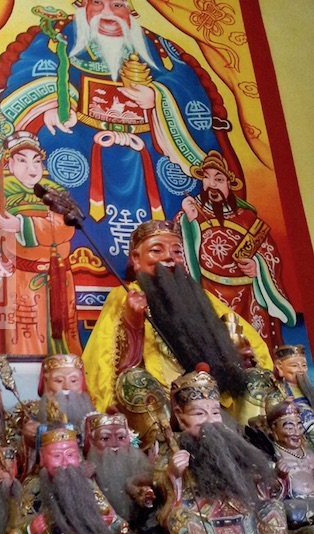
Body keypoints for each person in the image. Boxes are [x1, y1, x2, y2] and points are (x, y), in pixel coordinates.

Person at [0, 0, 240, 280]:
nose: (107, 13)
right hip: (80, 142)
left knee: (174, 186)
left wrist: (158, 96)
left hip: (148, 144)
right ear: (83, 5)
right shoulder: (57, 36)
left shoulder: (157, 48)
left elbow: (188, 87)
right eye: (98, 2)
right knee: (59, 176)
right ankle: (79, 267)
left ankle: (164, 276)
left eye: (118, 4)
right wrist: (53, 103)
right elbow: (31, 72)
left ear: (130, 10)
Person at [83, 219, 273, 412]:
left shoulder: (201, 297)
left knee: (255, 380)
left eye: (176, 251)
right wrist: (133, 326)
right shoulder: (126, 296)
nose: (169, 257)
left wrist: (239, 351)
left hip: (213, 398)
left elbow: (253, 345)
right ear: (136, 259)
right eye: (157, 250)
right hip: (161, 402)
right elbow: (105, 365)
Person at [154, 365, 309, 534]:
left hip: (242, 510)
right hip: (200, 513)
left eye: (215, 413)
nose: (210, 421)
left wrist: (278, 477)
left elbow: (259, 482)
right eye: (199, 414)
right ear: (179, 415)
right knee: (181, 521)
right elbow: (160, 483)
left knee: (273, 510)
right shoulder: (172, 448)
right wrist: (174, 474)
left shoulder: (233, 445)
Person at [0, 130, 82, 355]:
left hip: (58, 278)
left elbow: (64, 228)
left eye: (36, 161)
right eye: (22, 160)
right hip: (18, 279)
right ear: (9, 163)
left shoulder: (55, 193)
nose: (32, 168)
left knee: (64, 343)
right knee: (22, 343)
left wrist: (21, 225)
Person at [176, 150, 296, 353]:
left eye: (219, 179)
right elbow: (178, 251)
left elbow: (270, 255)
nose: (212, 185)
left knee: (254, 350)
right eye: (207, 178)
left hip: (247, 295)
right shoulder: (190, 215)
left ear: (229, 184)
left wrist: (257, 266)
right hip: (209, 292)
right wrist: (189, 222)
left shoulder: (247, 218)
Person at [6, 424, 131, 534]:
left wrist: (108, 522)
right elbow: (13, 533)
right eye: (57, 456)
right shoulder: (32, 489)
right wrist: (30, 528)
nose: (65, 463)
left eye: (71, 455)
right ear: (42, 457)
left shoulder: (87, 486)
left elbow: (116, 522)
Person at [267, 402, 314, 534]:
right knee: (293, 513)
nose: (296, 432)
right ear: (274, 430)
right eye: (289, 427)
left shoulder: (309, 454)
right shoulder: (272, 456)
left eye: (299, 426)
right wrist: (279, 476)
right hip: (294, 504)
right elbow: (265, 493)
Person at [266, 344, 314, 448]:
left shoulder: (310, 390)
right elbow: (270, 423)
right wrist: (283, 408)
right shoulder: (277, 394)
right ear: (280, 366)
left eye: (304, 365)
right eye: (294, 366)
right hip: (299, 440)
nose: (301, 370)